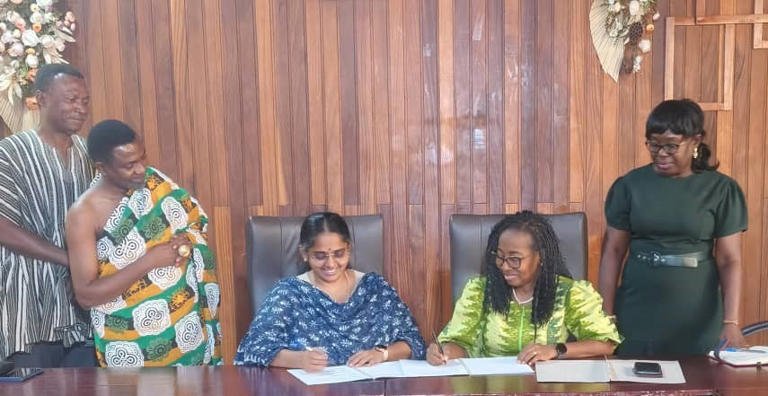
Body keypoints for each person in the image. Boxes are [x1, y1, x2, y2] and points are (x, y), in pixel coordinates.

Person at [65, 119, 222, 367]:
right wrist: (151, 261)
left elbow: (193, 223)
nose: (140, 169)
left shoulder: (153, 182)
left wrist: (183, 244)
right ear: (102, 167)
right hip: (130, 344)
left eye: (142, 158)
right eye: (129, 165)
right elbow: (86, 295)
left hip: (185, 329)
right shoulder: (83, 214)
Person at [599, 99, 747, 357]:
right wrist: (606, 314)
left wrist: (731, 322)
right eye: (653, 145)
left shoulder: (721, 189)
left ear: (696, 141)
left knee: (697, 382)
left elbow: (729, 260)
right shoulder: (630, 186)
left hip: (696, 309)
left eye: (671, 146)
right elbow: (612, 251)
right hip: (637, 306)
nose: (661, 153)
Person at [234, 212, 425, 371]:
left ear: (348, 249)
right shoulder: (289, 293)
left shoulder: (375, 288)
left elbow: (413, 341)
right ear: (304, 254)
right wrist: (299, 360)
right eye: (320, 256)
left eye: (339, 254)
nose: (331, 264)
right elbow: (254, 349)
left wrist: (383, 353)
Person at [427, 211, 621, 366]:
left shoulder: (568, 293)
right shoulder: (479, 291)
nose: (504, 266)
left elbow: (605, 343)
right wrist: (445, 351)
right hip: (491, 387)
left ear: (541, 257)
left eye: (515, 259)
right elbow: (460, 342)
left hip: (548, 388)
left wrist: (555, 350)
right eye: (500, 256)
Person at [0, 64, 96, 367]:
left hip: (80, 307)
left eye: (84, 101)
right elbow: (3, 227)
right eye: (71, 99)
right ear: (41, 99)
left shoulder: (90, 154)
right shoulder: (11, 151)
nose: (80, 109)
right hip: (29, 304)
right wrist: (68, 258)